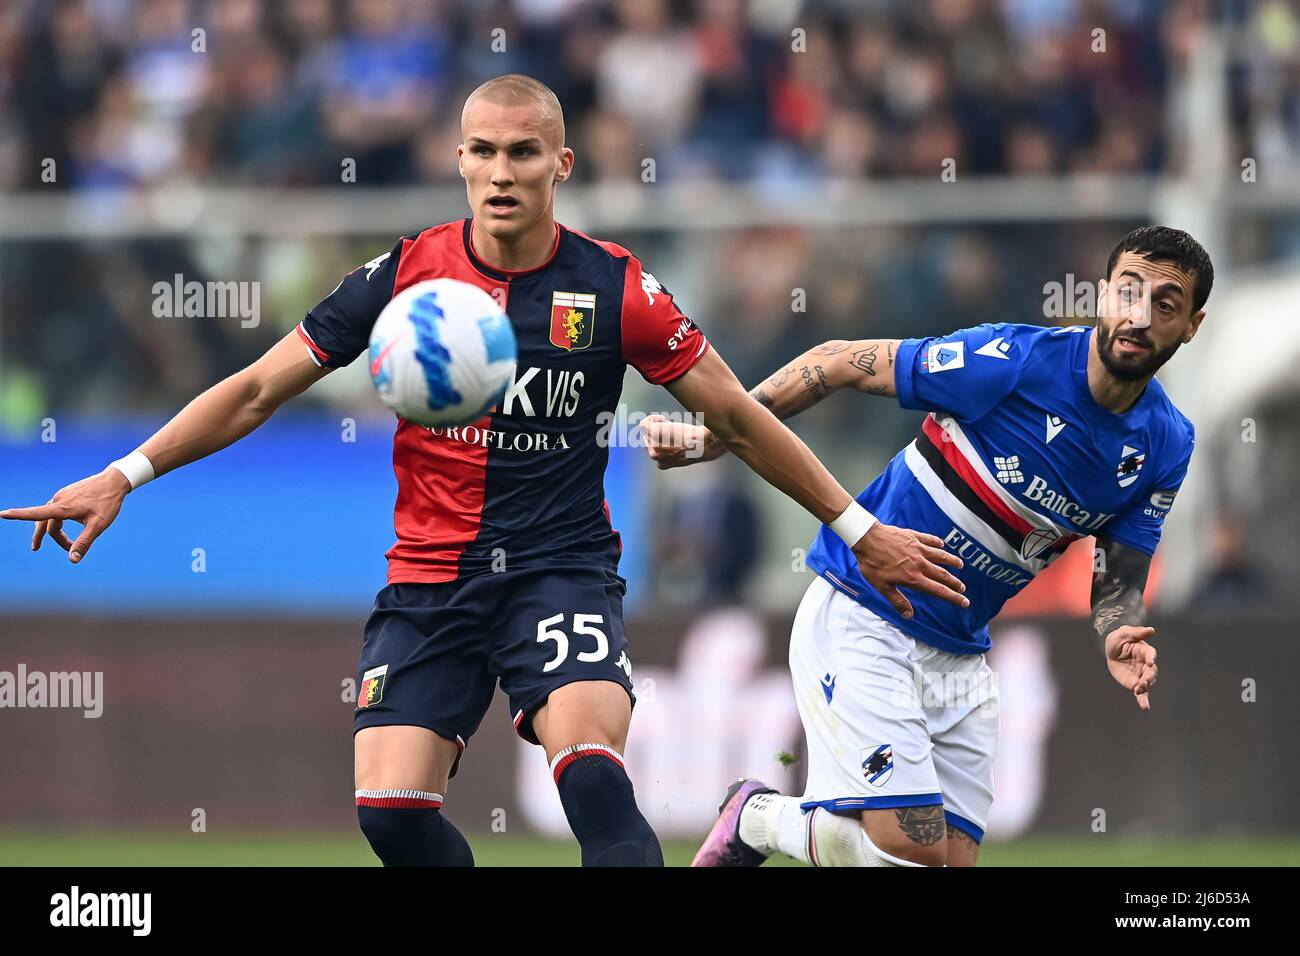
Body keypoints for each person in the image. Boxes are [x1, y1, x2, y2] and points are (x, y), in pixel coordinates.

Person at [1, 74, 965, 867]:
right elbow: (257, 389)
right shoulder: (402, 279)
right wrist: (123, 475)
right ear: (458, 159)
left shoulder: (618, 289)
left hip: (560, 568)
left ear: (560, 164)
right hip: (429, 579)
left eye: (523, 153)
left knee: (593, 778)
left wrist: (856, 529)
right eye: (483, 152)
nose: (501, 173)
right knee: (390, 815)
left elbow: (739, 418)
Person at [644, 225, 1211, 867]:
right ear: (1103, 294)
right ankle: (759, 821)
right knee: (908, 854)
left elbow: (1119, 572)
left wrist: (1118, 629)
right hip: (866, 616)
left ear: (1191, 325)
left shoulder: (1167, 443)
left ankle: (759, 817)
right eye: (1128, 292)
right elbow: (836, 360)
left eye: (1165, 304)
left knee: (940, 863)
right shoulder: (1014, 361)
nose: (1139, 316)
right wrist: (717, 436)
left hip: (961, 658)